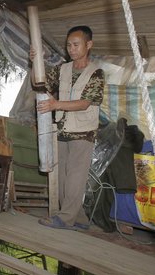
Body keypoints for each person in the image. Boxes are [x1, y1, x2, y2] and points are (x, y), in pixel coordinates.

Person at [32, 25, 105, 230]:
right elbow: (40, 85)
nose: (71, 49)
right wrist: (34, 63)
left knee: (75, 177)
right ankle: (79, 218)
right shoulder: (63, 69)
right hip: (62, 130)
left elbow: (85, 103)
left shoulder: (96, 73)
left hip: (83, 132)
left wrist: (56, 105)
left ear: (88, 45)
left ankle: (64, 218)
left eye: (76, 44)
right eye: (68, 45)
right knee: (62, 177)